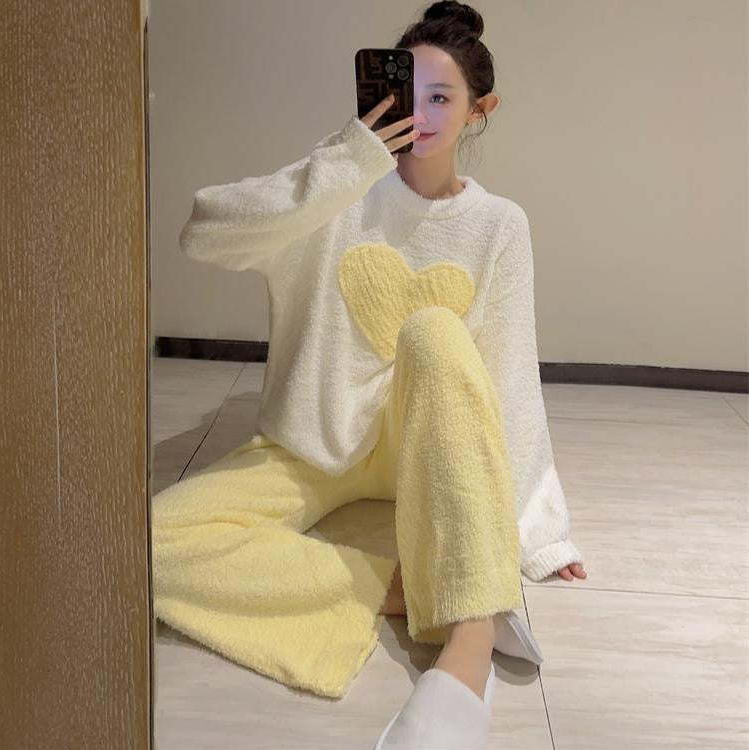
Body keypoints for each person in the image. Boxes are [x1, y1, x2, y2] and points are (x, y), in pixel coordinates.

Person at [154, 2, 586, 747]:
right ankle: (411, 588)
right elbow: (206, 232)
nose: (420, 113)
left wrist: (540, 533)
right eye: (406, 91)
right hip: (318, 444)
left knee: (433, 332)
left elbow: (509, 377)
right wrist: (345, 161)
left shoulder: (499, 225)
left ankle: (470, 639)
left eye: (442, 97)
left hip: (431, 443)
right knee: (146, 545)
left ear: (479, 111)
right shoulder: (336, 192)